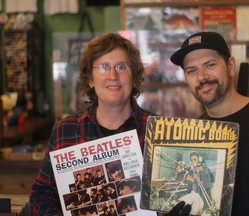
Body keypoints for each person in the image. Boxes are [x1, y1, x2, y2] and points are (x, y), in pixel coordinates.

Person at [30, 32, 155, 215]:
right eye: (103, 67)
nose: (113, 75)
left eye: (121, 67)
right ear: (89, 79)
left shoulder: (157, 129)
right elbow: (41, 194)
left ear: (134, 77)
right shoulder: (65, 130)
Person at [170, 31, 249, 216]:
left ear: (230, 66)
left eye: (210, 65)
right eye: (191, 70)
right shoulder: (193, 134)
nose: (201, 76)